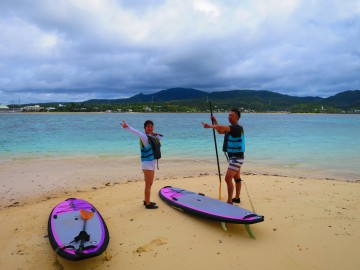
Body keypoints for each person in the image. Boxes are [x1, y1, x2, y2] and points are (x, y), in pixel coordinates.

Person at [201, 108, 245, 204]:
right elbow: (220, 131)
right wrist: (215, 121)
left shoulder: (236, 128)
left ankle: (229, 202)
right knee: (237, 177)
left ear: (237, 117)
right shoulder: (232, 128)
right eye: (229, 115)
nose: (229, 117)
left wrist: (210, 126)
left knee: (227, 178)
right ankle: (237, 198)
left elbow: (222, 127)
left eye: (231, 115)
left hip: (236, 158)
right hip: (235, 157)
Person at [120, 120, 162, 209]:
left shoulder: (153, 137)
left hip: (152, 163)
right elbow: (136, 132)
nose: (150, 128)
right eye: (148, 127)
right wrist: (127, 127)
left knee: (150, 183)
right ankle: (147, 204)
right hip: (147, 164)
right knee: (148, 184)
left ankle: (146, 200)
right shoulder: (144, 137)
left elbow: (160, 139)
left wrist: (156, 134)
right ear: (145, 128)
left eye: (151, 126)